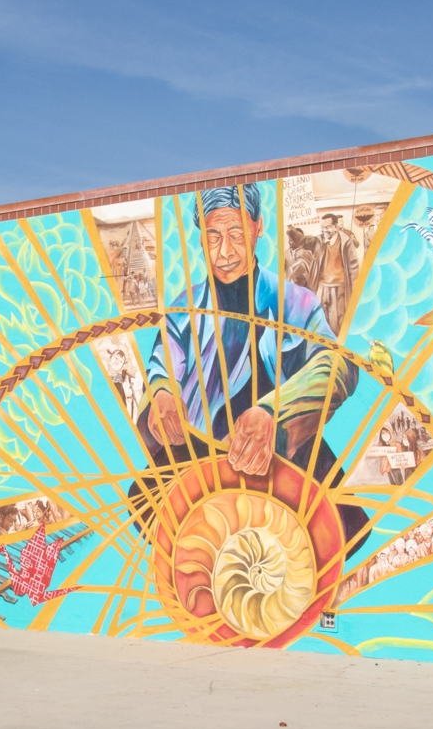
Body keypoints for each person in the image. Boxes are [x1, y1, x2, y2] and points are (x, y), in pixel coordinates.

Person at [141, 183, 365, 545]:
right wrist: (162, 390)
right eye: (213, 237)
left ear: (258, 226)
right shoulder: (186, 307)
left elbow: (338, 367)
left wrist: (274, 412)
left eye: (235, 233)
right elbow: (162, 360)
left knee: (322, 557)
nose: (225, 252)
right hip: (203, 475)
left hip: (284, 475)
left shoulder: (294, 302)